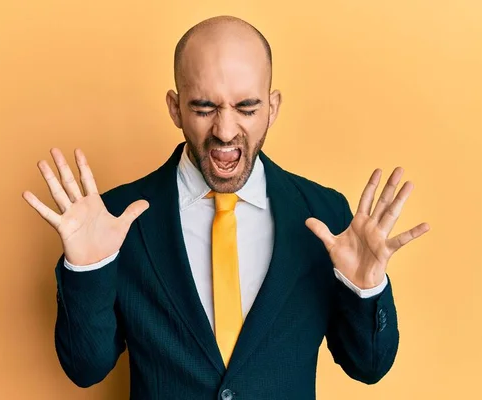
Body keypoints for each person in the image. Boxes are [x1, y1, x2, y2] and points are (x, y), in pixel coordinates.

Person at [22, 15, 430, 399]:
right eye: (204, 108)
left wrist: (366, 289)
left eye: (247, 108)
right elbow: (85, 368)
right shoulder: (115, 219)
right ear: (174, 107)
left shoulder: (326, 214)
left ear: (272, 107)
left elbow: (368, 366)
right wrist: (87, 273)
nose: (225, 130)